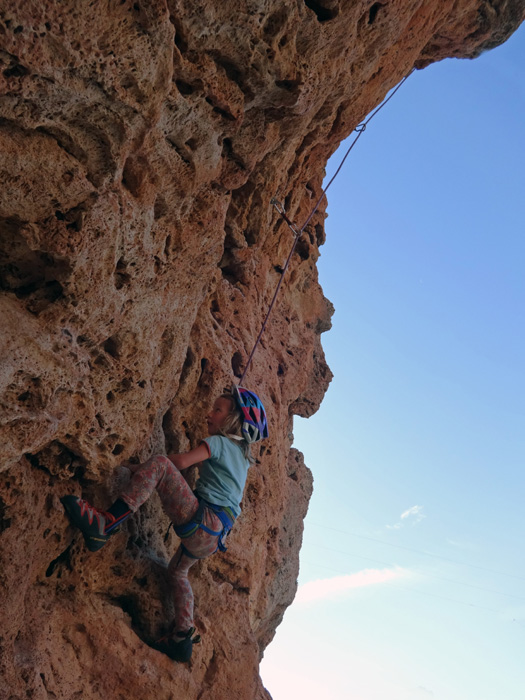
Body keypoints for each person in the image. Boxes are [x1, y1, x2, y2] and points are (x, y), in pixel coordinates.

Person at [61, 386, 268, 663]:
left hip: (203, 521)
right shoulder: (242, 459)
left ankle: (104, 524)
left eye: (217, 410)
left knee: (159, 464)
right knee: (178, 573)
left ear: (233, 421)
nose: (209, 414)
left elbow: (181, 462)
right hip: (212, 538)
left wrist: (141, 467)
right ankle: (183, 636)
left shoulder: (219, 443)